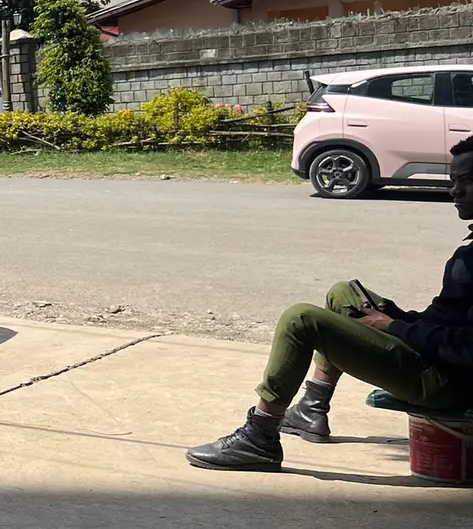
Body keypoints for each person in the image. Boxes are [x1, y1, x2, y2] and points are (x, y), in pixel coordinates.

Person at [187, 136, 473, 471]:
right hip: (436, 359)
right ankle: (312, 407)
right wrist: (400, 317)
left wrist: (394, 327)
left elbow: (467, 348)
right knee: (344, 295)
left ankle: (259, 437)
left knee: (301, 320)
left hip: (448, 383)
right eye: (453, 181)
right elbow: (449, 319)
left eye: (466, 181)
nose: (455, 191)